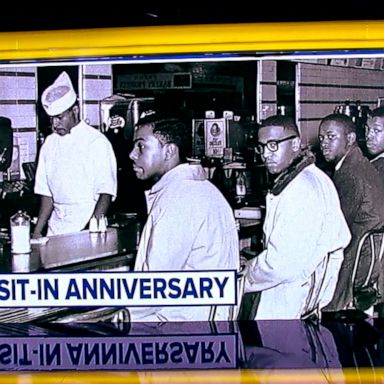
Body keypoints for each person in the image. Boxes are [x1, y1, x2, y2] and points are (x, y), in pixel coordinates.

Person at [128, 112, 240, 321]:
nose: (132, 155)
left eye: (141, 146)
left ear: (169, 151)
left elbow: (155, 289)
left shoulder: (178, 199)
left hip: (177, 328)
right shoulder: (200, 188)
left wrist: (113, 314)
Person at [242, 115, 351, 320]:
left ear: (295, 144)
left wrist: (244, 276)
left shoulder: (300, 189)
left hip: (290, 302)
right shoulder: (312, 177)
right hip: (302, 298)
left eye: (274, 145)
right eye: (261, 147)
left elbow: (278, 265)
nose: (266, 154)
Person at [33, 71, 117, 236]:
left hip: (86, 223)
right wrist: (37, 232)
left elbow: (105, 193)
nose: (54, 125)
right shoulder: (49, 144)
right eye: (51, 119)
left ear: (75, 110)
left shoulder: (96, 142)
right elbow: (46, 194)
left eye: (59, 118)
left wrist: (91, 232)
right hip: (55, 228)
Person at [319, 113, 384, 315]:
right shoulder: (362, 164)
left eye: (331, 137)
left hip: (352, 270)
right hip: (369, 268)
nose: (324, 144)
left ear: (350, 139)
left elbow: (334, 231)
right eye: (321, 138)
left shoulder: (350, 174)